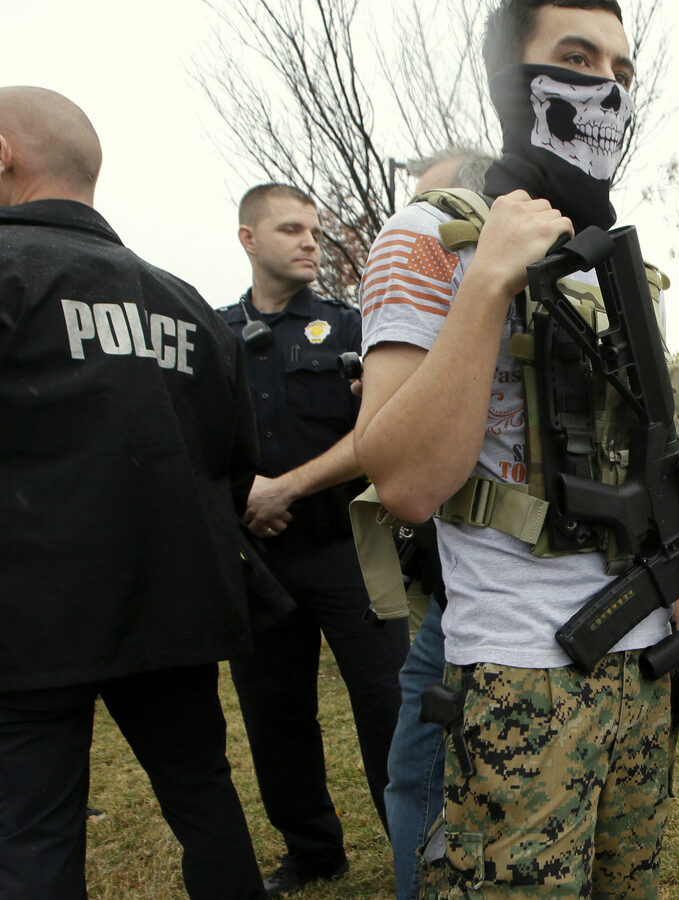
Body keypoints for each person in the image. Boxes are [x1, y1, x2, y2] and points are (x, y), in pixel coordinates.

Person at [354, 1, 674, 895]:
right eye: (575, 58)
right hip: (522, 671)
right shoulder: (429, 235)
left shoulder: (615, 258)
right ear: (513, 77)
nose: (603, 88)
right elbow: (408, 482)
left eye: (621, 71)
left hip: (646, 656)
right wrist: (491, 278)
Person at [0, 85, 264, 899]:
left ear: (1, 154)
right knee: (205, 798)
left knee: (29, 852)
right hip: (174, 616)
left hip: (14, 637)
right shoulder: (187, 304)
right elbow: (231, 458)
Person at [220, 184, 410, 896]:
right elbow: (201, 439)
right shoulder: (215, 336)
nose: (309, 243)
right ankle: (312, 849)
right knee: (275, 714)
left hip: (347, 552)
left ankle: (413, 845)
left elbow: (378, 437)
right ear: (248, 238)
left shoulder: (352, 330)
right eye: (290, 229)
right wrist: (246, 497)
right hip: (258, 560)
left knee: (388, 705)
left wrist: (286, 489)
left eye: (314, 230)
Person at [377, 148, 490, 900]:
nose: (420, 222)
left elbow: (405, 483)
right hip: (456, 588)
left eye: (437, 207)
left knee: (419, 773)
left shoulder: (478, 291)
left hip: (477, 595)